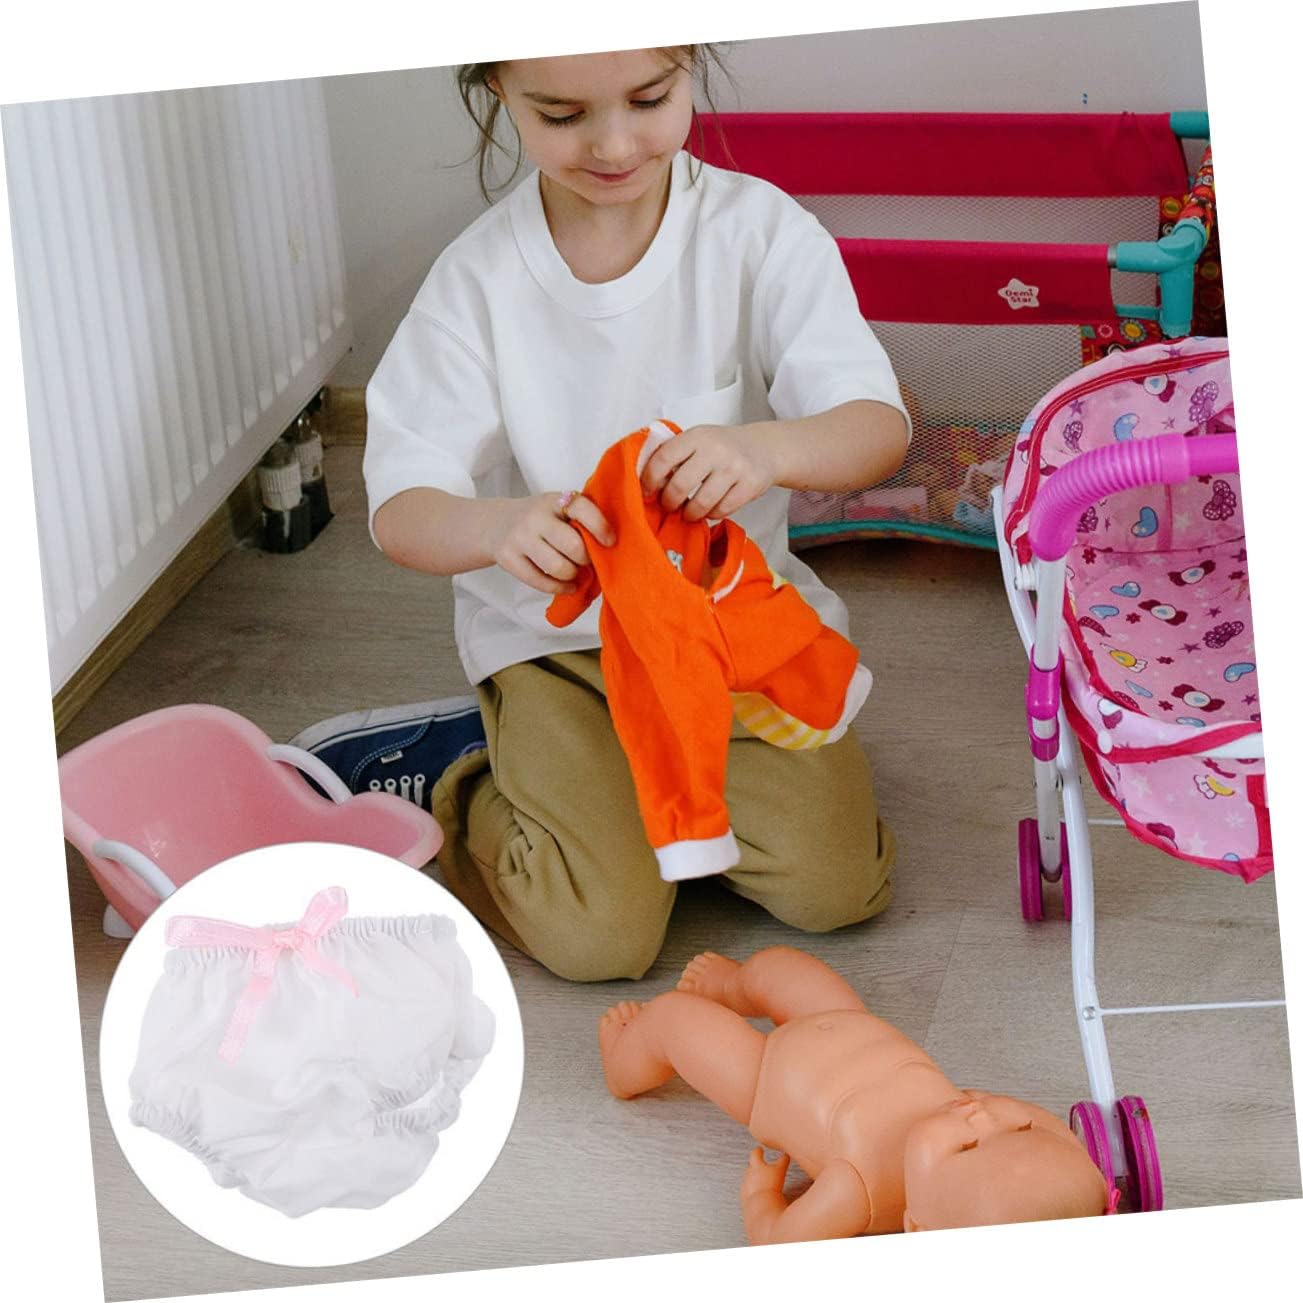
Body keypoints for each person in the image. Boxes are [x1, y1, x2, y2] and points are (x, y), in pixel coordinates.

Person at [363, 47, 911, 982]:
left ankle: (632, 811)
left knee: (838, 888)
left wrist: (764, 449)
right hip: (559, 654)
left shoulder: (758, 233)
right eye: (562, 114)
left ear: (689, 66)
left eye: (649, 99)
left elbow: (876, 428)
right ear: (497, 90)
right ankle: (470, 777)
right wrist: (494, 527)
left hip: (726, 638)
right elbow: (399, 507)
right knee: (601, 941)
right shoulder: (477, 281)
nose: (614, 145)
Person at [598, 947, 1112, 1241]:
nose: (980, 1115)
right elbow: (1051, 1140)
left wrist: (762, 1201)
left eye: (967, 1146)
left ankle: (624, 1062)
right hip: (847, 1020)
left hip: (764, 1074)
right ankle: (733, 986)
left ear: (916, 1228)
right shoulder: (960, 1127)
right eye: (1020, 1126)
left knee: (672, 1019)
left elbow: (781, 1247)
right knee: (780, 966)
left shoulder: (859, 1193)